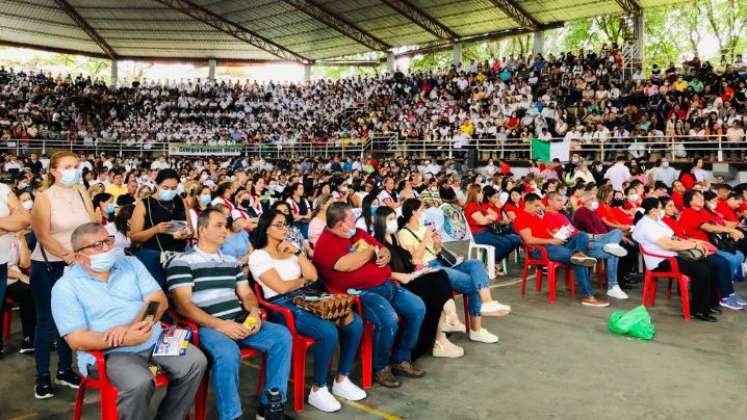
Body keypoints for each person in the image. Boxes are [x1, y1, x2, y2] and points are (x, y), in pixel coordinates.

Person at [50, 223, 207, 420]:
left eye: (108, 241)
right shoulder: (65, 287)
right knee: (139, 382)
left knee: (196, 362)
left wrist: (138, 326)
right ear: (79, 255)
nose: (107, 248)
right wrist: (124, 339)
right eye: (97, 245)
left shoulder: (130, 264)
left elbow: (158, 300)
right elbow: (77, 340)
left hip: (152, 337)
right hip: (110, 353)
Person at [167, 209, 293, 420]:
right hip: (206, 327)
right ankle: (231, 416)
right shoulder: (182, 262)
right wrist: (219, 325)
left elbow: (246, 293)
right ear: (201, 229)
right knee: (228, 352)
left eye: (225, 225)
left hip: (238, 319)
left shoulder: (230, 260)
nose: (224, 230)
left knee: (281, 336)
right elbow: (183, 305)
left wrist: (253, 312)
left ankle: (270, 407)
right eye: (218, 225)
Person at [249, 209, 367, 413]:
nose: (284, 228)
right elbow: (281, 287)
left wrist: (297, 253)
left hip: (306, 297)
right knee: (327, 331)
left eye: (285, 223)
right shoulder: (258, 256)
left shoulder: (291, 249)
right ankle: (318, 388)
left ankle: (342, 378)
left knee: (354, 322)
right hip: (281, 306)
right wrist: (301, 281)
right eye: (278, 224)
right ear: (266, 229)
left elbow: (313, 275)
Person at [312, 202, 426, 388]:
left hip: (386, 284)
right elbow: (346, 264)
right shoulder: (326, 242)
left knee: (417, 307)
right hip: (360, 293)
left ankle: (400, 358)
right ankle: (380, 368)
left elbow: (381, 248)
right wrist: (369, 252)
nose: (355, 220)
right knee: (388, 320)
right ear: (341, 224)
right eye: (351, 217)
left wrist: (384, 254)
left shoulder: (356, 232)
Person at [30, 151, 94, 398]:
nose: (73, 170)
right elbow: (42, 235)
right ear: (54, 171)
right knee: (46, 323)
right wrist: (68, 255)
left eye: (76, 166)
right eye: (67, 166)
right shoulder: (44, 197)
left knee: (72, 320)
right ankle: (42, 377)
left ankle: (65, 369)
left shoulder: (82, 192)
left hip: (77, 264)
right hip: (49, 266)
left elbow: (92, 224)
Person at [398, 197, 509, 321]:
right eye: (422, 210)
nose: (424, 212)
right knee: (474, 283)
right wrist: (425, 239)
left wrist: (437, 243)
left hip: (440, 260)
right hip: (428, 267)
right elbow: (414, 259)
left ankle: (488, 303)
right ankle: (476, 328)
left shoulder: (424, 228)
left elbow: (436, 250)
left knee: (476, 264)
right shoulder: (404, 233)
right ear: (414, 212)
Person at [372, 206, 462, 358]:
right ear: (381, 222)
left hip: (411, 275)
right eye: (390, 219)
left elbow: (409, 259)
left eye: (395, 218)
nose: (394, 222)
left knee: (440, 274)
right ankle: (439, 340)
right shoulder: (376, 243)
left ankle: (451, 316)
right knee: (433, 292)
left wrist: (419, 267)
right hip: (400, 282)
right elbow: (380, 271)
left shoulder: (395, 237)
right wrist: (403, 275)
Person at [632, 198, 721, 322]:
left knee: (710, 264)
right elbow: (668, 245)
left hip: (672, 255)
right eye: (661, 207)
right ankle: (698, 310)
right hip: (661, 261)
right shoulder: (646, 225)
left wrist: (692, 243)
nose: (662, 210)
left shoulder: (656, 220)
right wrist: (693, 246)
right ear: (653, 210)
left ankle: (709, 304)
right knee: (701, 270)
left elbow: (673, 238)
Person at [513, 193, 609, 307]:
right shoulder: (521, 218)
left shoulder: (536, 216)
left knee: (581, 235)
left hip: (555, 244)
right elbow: (529, 240)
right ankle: (588, 296)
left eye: (539, 205)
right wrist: (552, 241)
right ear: (527, 204)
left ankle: (580, 252)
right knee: (577, 260)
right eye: (536, 206)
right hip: (541, 249)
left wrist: (556, 236)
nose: (539, 208)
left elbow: (546, 231)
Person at [659, 196, 744, 311]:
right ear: (661, 209)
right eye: (670, 206)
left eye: (673, 205)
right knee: (721, 262)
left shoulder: (675, 218)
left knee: (731, 257)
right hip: (683, 251)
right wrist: (697, 244)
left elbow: (715, 223)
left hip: (693, 245)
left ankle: (728, 293)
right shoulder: (666, 222)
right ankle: (723, 295)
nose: (674, 208)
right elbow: (676, 240)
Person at [545, 191, 629, 299]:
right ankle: (613, 286)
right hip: (577, 244)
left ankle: (610, 245)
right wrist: (588, 238)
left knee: (616, 233)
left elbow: (575, 231)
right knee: (613, 253)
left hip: (586, 238)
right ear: (549, 201)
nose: (561, 203)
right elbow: (560, 235)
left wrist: (596, 237)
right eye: (558, 200)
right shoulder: (549, 216)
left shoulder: (563, 215)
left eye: (562, 200)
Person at [130, 169, 192, 289]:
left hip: (178, 253)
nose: (170, 191)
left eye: (174, 188)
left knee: (180, 291)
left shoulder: (180, 201)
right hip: (154, 254)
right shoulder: (145, 204)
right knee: (157, 291)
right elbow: (134, 236)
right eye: (166, 187)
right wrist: (155, 229)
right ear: (157, 185)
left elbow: (191, 229)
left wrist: (186, 233)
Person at [463, 184, 521, 269]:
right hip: (479, 235)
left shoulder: (481, 205)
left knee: (515, 240)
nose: (483, 195)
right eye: (481, 193)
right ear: (475, 194)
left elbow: (495, 217)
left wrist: (487, 218)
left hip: (488, 231)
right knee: (506, 243)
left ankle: (494, 261)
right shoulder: (471, 206)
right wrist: (487, 218)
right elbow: (483, 222)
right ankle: (492, 263)